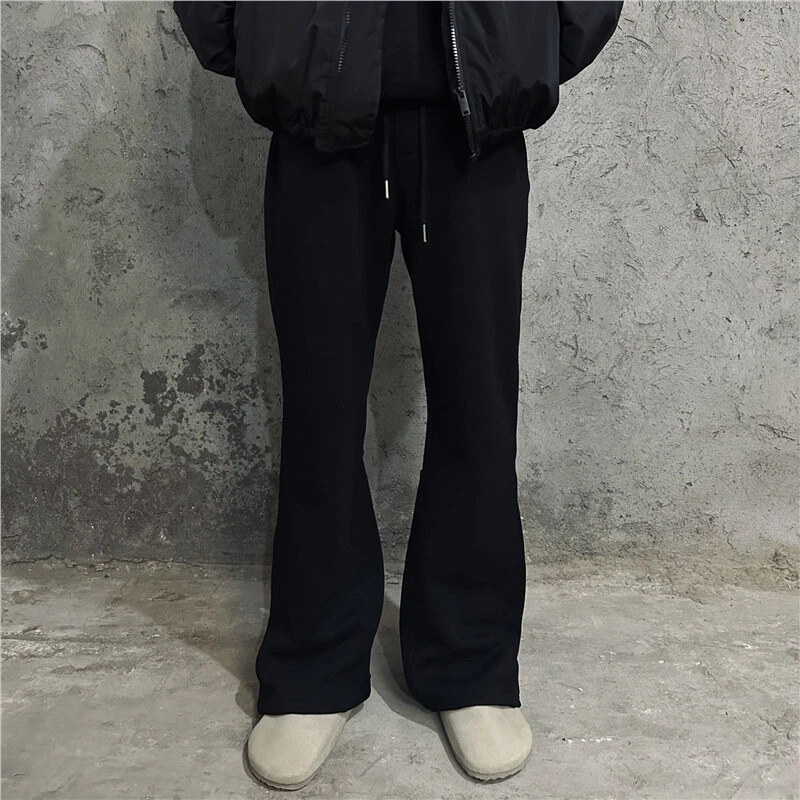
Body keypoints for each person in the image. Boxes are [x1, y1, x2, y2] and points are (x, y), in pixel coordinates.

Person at [173, 0, 622, 788]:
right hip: (318, 122)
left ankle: (469, 660)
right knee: (320, 408)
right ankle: (315, 662)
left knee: (479, 405)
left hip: (474, 130)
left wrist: (529, 49)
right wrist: (265, 50)